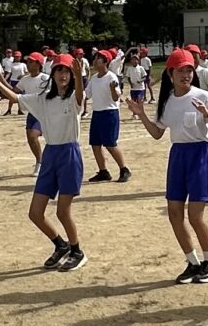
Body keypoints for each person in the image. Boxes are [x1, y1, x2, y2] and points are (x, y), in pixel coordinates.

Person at [126, 48, 208, 284]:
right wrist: (141, 115)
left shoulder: (203, 96)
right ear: (170, 74)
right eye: (181, 70)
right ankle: (193, 263)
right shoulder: (168, 101)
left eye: (189, 70)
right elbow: (158, 133)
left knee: (195, 216)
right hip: (178, 156)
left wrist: (207, 115)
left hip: (200, 155)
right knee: (174, 213)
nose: (186, 74)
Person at [20, 53, 90, 271]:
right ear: (53, 73)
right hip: (50, 154)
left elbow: (79, 97)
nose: (63, 74)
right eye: (59, 70)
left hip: (69, 154)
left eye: (67, 71)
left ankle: (77, 251)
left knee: (62, 211)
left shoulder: (74, 98)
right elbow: (16, 98)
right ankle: (60, 245)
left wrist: (79, 76)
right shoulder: (44, 100)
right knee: (35, 213)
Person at [86, 51, 131, 182]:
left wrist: (112, 89)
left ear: (106, 62)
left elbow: (116, 97)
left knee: (110, 143)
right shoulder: (94, 78)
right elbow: (87, 94)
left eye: (98, 59)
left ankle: (124, 169)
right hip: (97, 113)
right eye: (94, 59)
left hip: (109, 113)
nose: (94, 62)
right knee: (95, 144)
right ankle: (103, 171)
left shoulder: (111, 77)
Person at [19, 52, 49, 169]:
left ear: (38, 64)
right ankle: (40, 161)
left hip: (44, 113)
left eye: (31, 62)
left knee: (33, 136)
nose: (27, 64)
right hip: (32, 113)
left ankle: (41, 163)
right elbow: (13, 91)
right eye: (28, 62)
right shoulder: (25, 79)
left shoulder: (45, 79)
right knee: (30, 139)